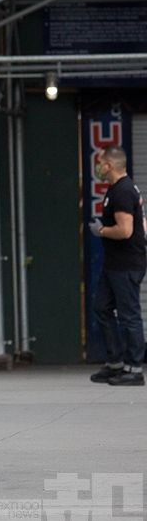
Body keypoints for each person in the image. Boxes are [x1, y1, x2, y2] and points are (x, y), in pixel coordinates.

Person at [88, 145, 146, 386]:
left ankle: (134, 368)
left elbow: (126, 230)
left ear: (109, 165)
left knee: (129, 315)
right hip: (115, 264)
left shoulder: (122, 191)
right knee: (101, 307)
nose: (98, 168)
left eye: (100, 163)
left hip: (126, 264)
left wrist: (100, 230)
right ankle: (116, 362)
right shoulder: (118, 189)